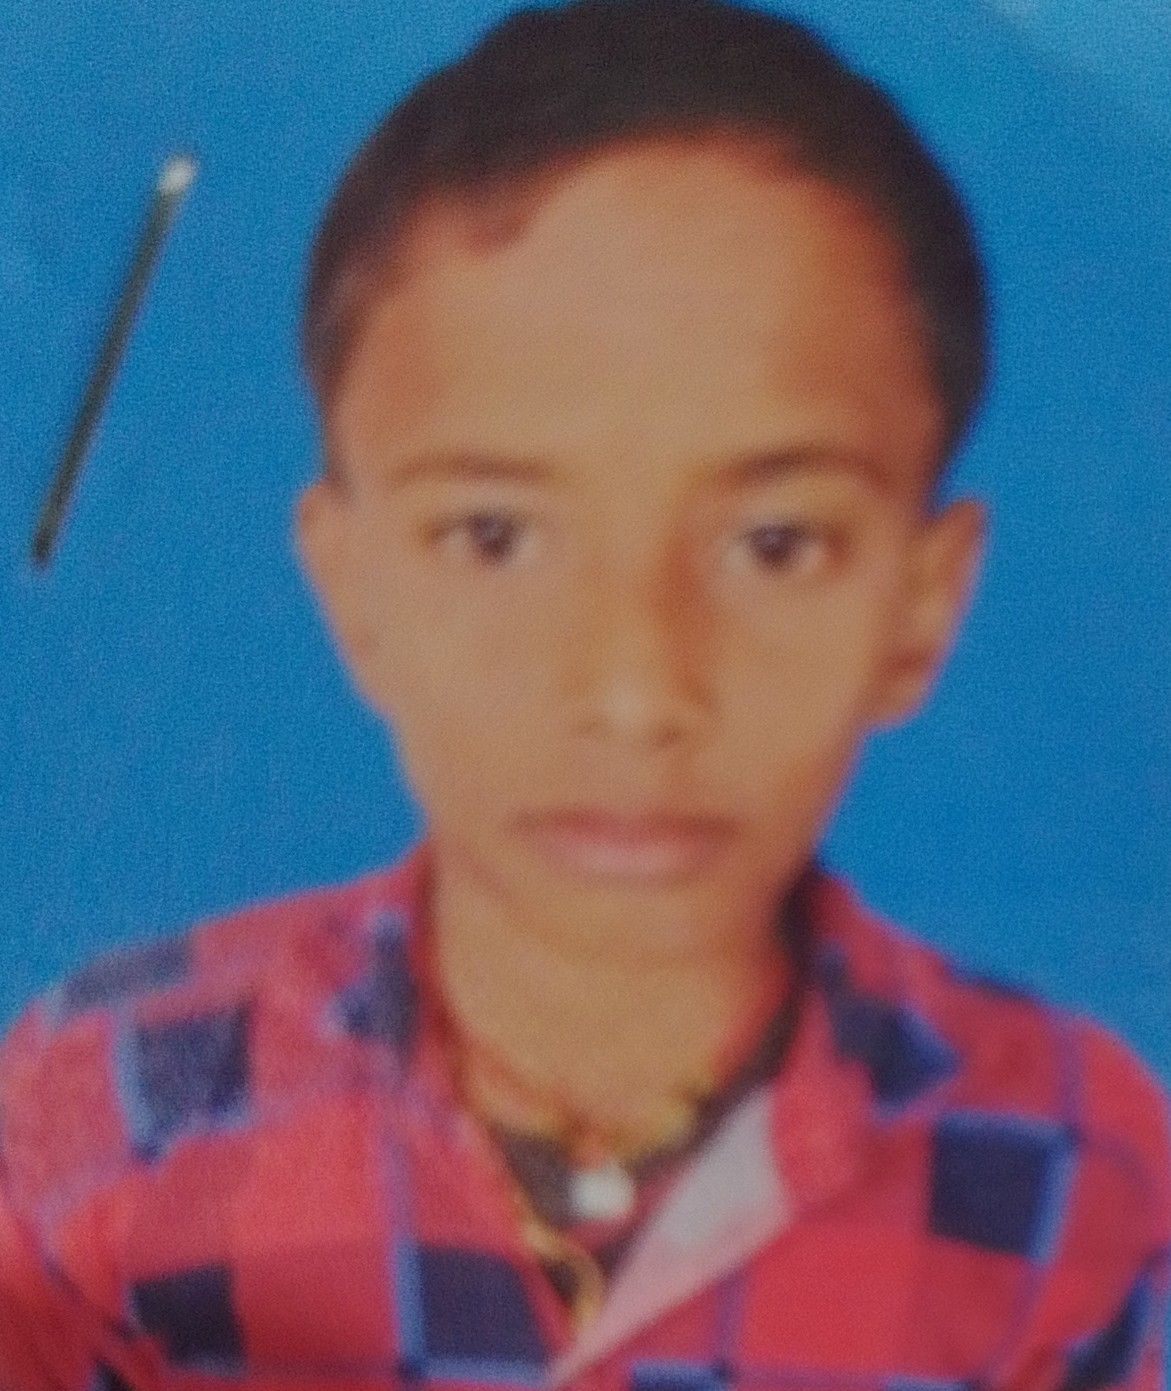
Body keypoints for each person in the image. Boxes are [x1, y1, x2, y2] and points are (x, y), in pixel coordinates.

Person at [1, 1, 1167, 1387]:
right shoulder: (111, 1097)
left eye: (774, 544)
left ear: (924, 604)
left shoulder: (1063, 1159)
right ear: (349, 581)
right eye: (494, 536)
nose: (632, 692)